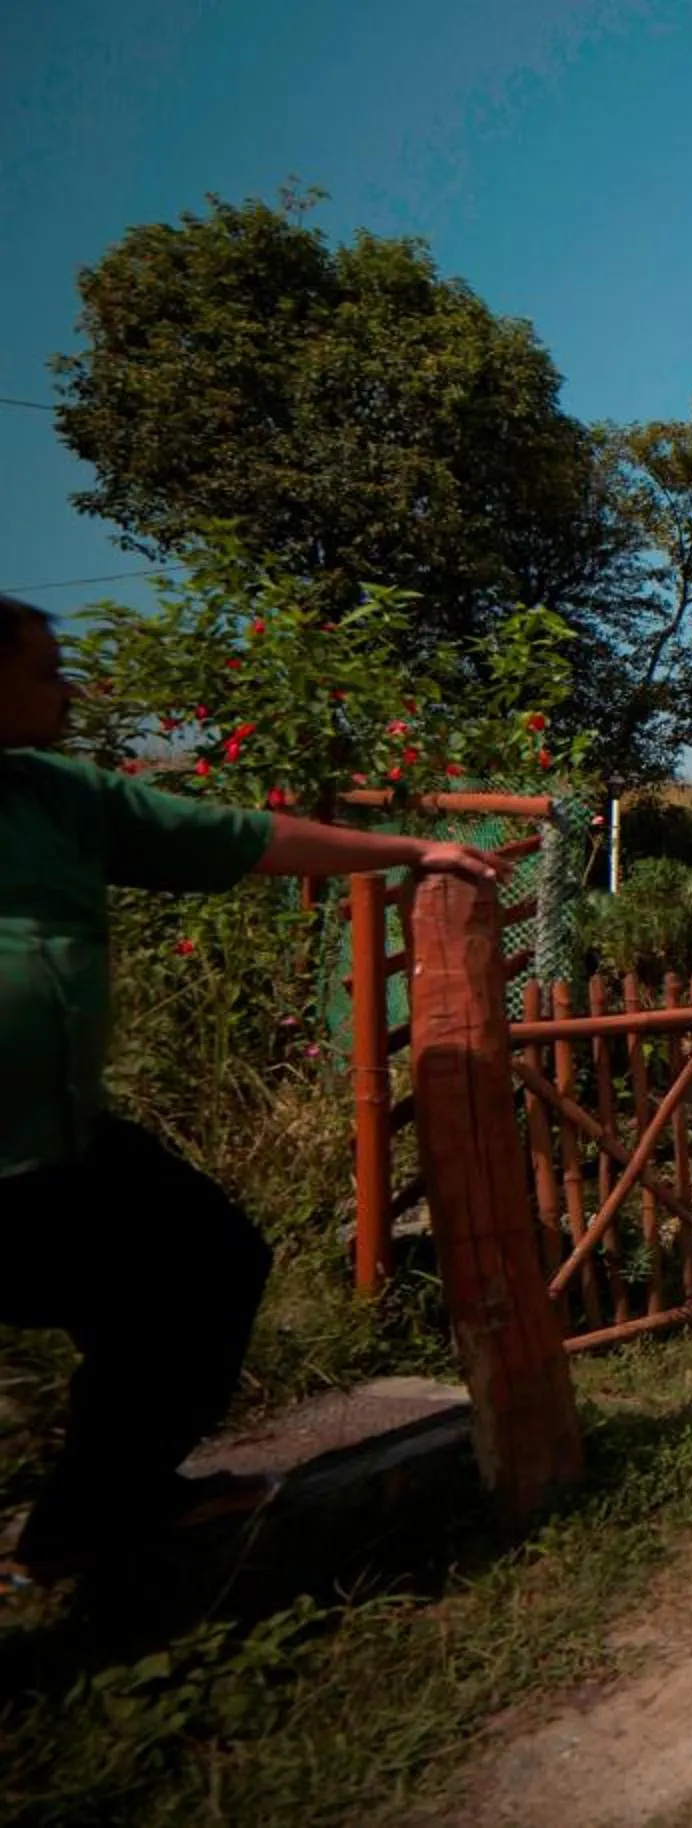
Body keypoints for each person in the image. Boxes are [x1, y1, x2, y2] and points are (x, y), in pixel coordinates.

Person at [0, 591, 500, 1584]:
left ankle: (94, 1515)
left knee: (204, 1261)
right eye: (46, 670)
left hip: (54, 1141)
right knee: (171, 1277)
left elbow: (247, 837)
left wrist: (411, 848)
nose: (70, 686)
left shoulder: (60, 798)